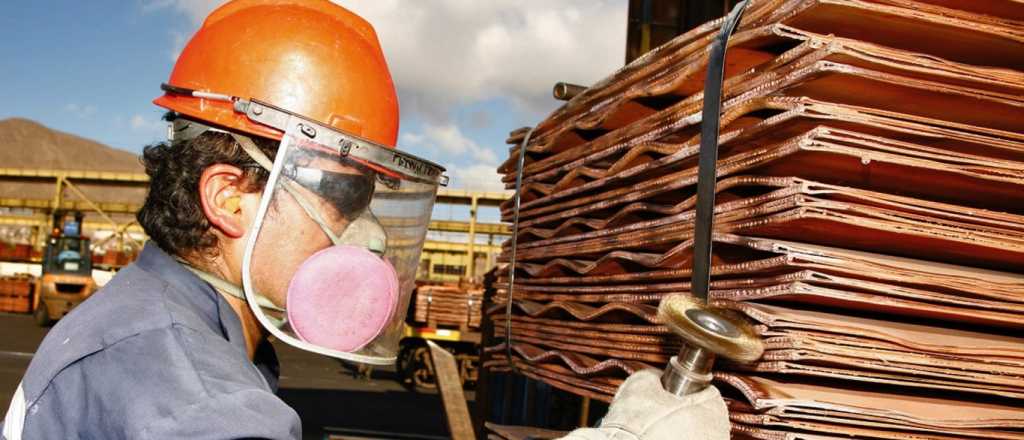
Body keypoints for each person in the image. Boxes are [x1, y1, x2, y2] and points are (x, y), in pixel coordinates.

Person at [2, 1, 728, 439]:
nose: (368, 235)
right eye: (344, 196)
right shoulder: (188, 393)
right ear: (229, 198)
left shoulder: (159, 329)